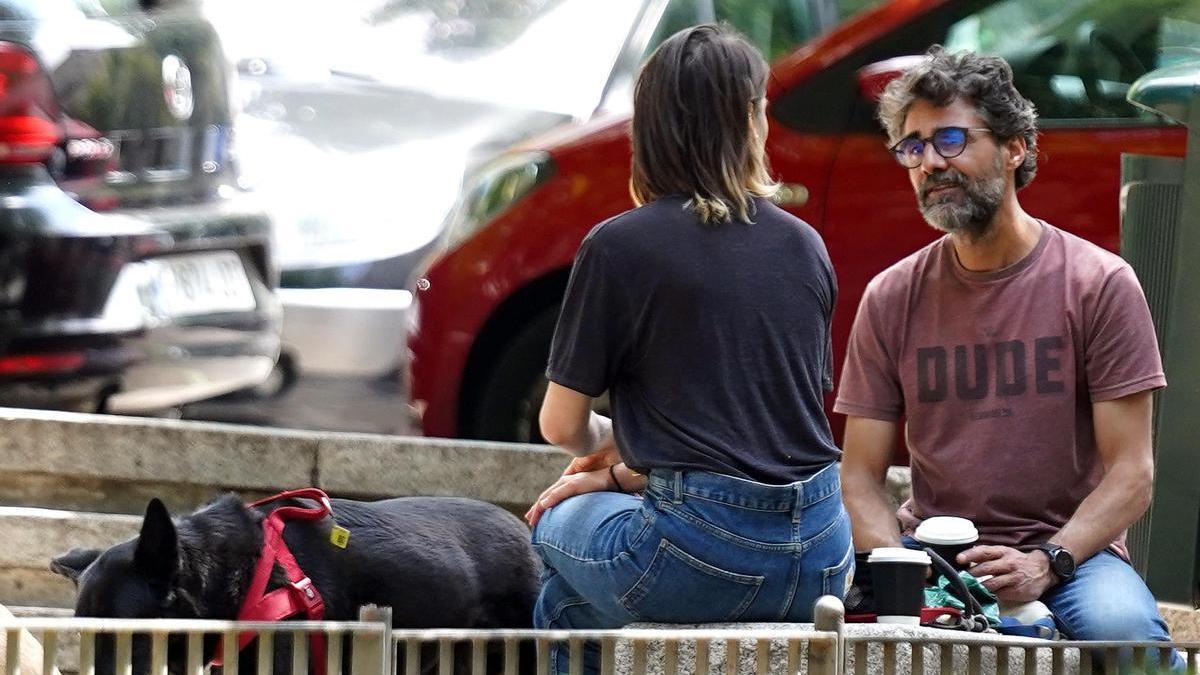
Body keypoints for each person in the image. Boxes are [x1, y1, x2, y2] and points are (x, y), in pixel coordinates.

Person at [524, 23, 852, 675]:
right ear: (752, 120)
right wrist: (633, 455)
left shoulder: (619, 246)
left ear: (647, 130)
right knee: (575, 597)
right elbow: (762, 431)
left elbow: (560, 425)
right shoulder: (804, 243)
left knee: (549, 543)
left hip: (698, 552)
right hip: (822, 553)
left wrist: (612, 441)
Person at [835, 46, 1178, 657]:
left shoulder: (1097, 283)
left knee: (1126, 642)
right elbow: (859, 475)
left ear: (1016, 146)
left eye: (950, 139)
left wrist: (1048, 562)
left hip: (1071, 552)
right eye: (912, 147)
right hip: (932, 550)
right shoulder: (891, 296)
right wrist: (896, 572)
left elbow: (1133, 473)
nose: (929, 163)